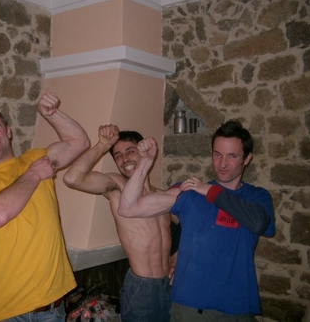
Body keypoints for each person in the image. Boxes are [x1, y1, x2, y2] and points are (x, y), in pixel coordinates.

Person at [118, 120, 275, 322]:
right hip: (190, 308)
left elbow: (259, 224)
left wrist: (209, 190)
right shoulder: (191, 192)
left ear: (247, 159)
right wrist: (146, 162)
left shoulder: (256, 197)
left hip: (237, 309)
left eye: (232, 156)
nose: (222, 163)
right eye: (217, 154)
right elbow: (128, 208)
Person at [0, 92, 90, 322]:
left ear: (8, 131)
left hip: (52, 307)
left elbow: (80, 142)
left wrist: (52, 114)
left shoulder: (35, 158)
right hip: (5, 312)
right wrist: (35, 173)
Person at [63, 125, 180, 322]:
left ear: (144, 152)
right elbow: (72, 178)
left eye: (130, 152)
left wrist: (177, 259)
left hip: (169, 285)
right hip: (142, 287)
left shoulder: (161, 195)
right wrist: (103, 145)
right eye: (117, 156)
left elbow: (186, 227)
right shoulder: (116, 187)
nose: (124, 159)